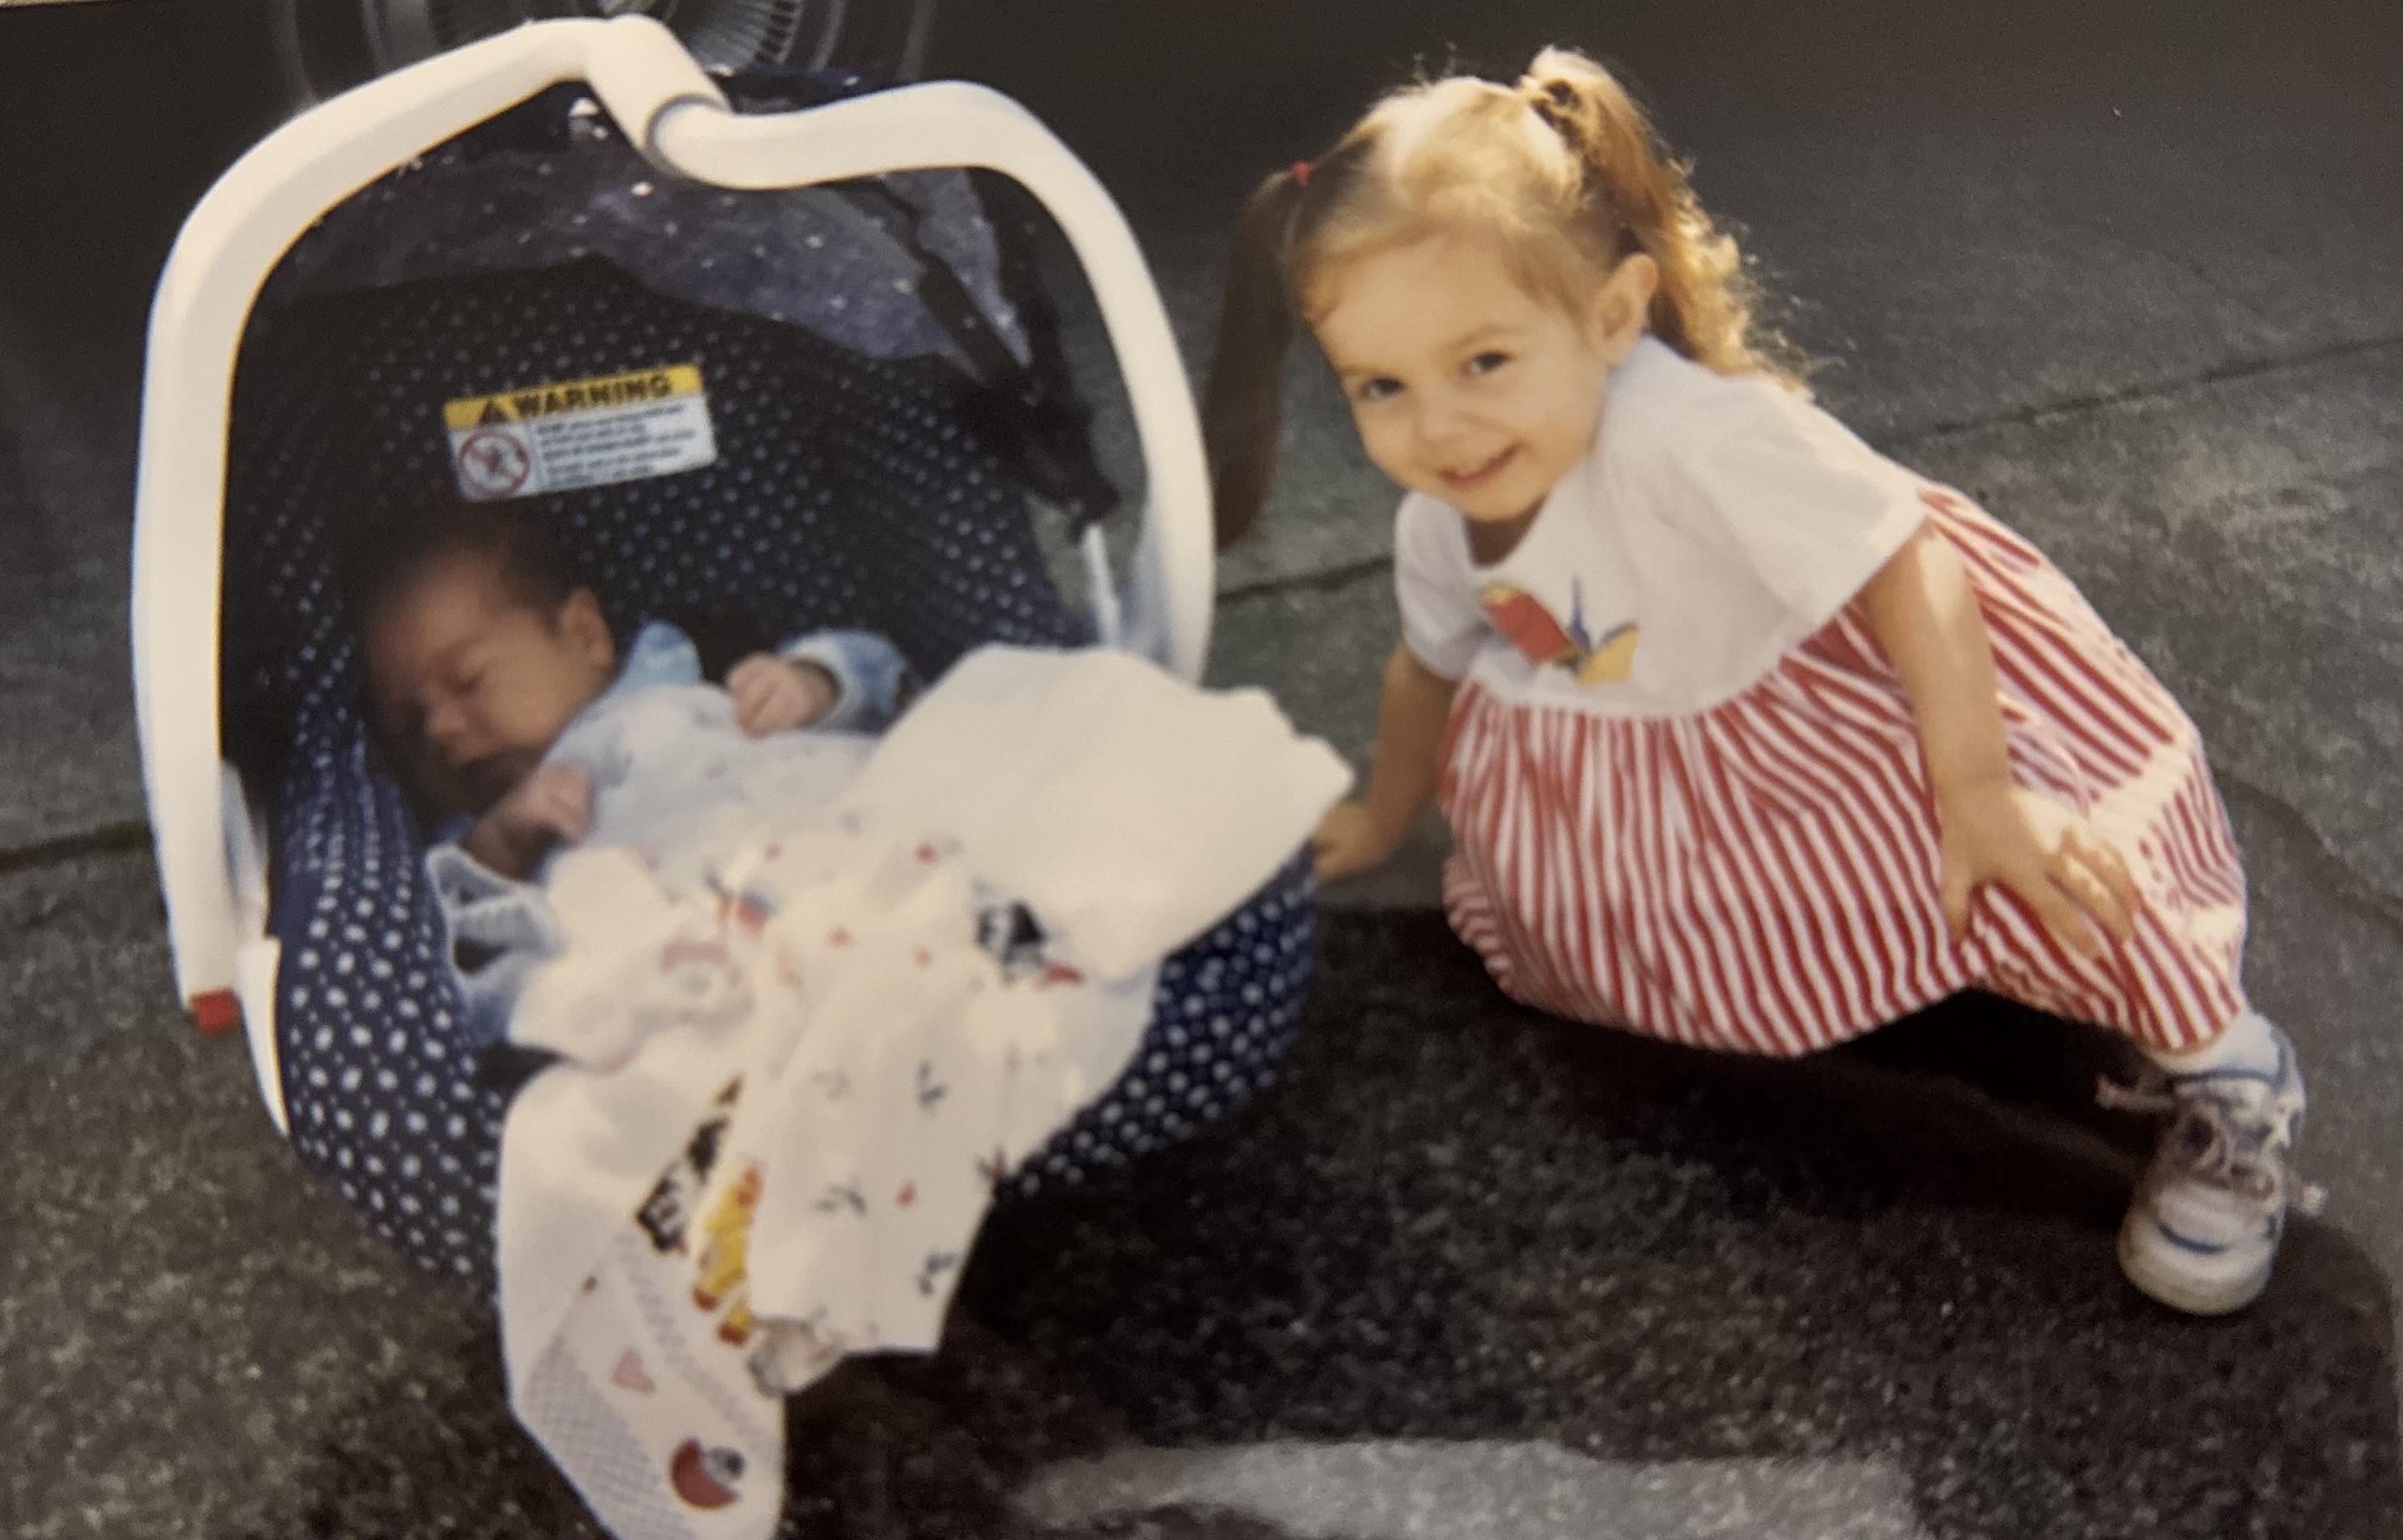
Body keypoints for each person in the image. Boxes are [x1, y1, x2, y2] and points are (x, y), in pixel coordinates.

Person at [1200, 46, 2312, 1314]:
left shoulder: (1686, 436)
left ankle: (2226, 1066)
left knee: (2023, 867)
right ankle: (1808, 952)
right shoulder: (1443, 523)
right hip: (1648, 749)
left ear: (1612, 317)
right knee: (1593, 930)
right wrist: (1384, 815)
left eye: (1483, 363)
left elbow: (1910, 562)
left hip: (1844, 718)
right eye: (1381, 387)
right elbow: (1429, 671)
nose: (1437, 427)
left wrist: (1978, 787)